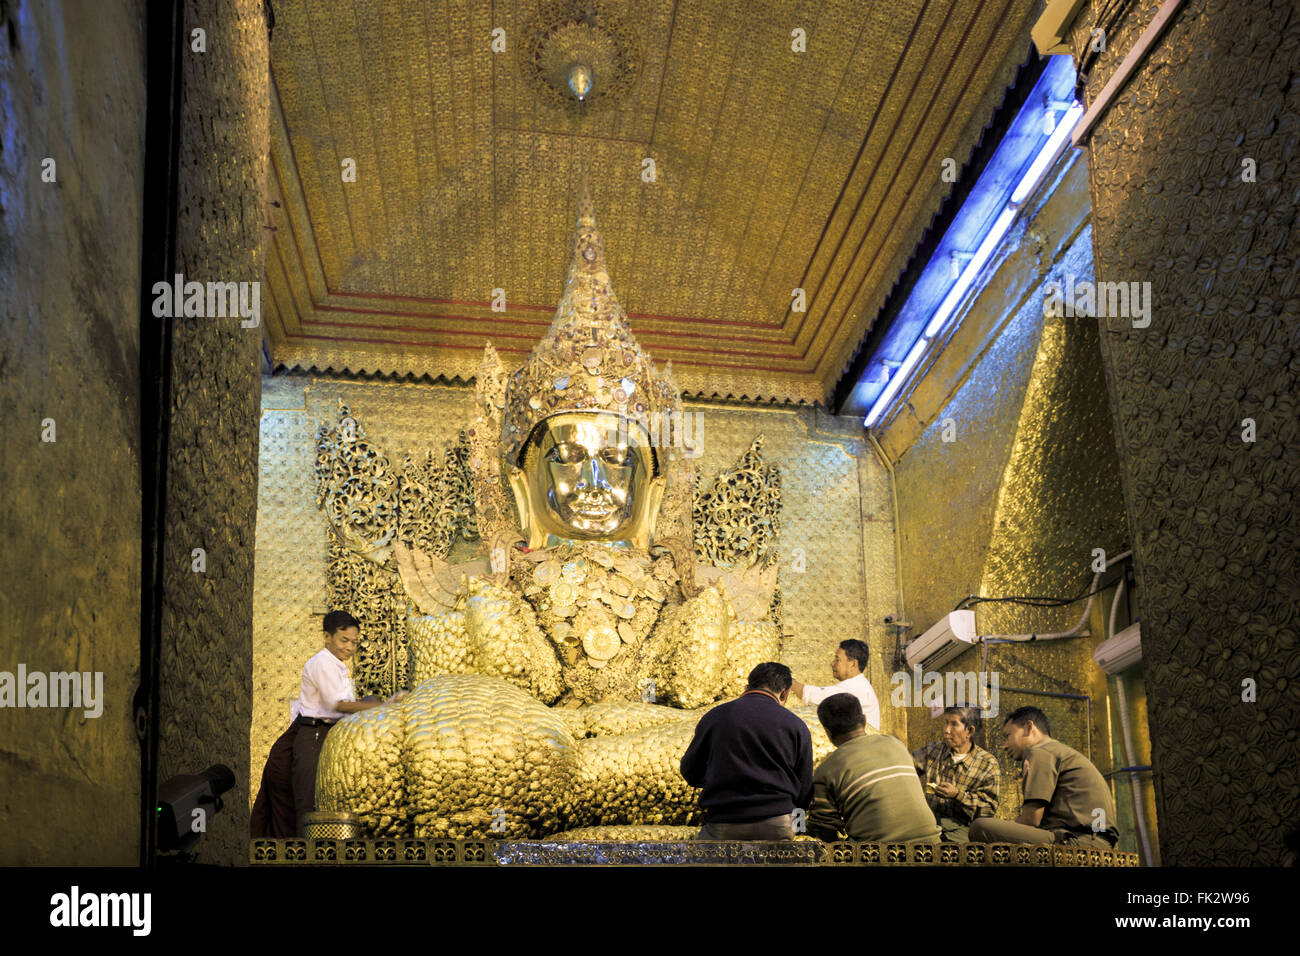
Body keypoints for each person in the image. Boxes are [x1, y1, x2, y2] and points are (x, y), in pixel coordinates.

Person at [250, 611, 406, 838]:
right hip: (313, 736)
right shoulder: (322, 663)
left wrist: (374, 703)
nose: (350, 647)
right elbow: (338, 705)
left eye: (354, 642)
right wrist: (385, 706)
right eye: (344, 640)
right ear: (327, 636)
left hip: (327, 734)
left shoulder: (340, 668)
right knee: (309, 801)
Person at [680, 662, 813, 840]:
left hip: (723, 823)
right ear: (785, 693)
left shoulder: (715, 717)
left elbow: (690, 771)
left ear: (747, 687)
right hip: (778, 823)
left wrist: (716, 779)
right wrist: (798, 828)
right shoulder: (796, 725)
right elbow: (804, 788)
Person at [969, 706, 1119, 848]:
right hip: (1096, 839)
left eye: (1008, 736)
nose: (1005, 745)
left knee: (980, 827)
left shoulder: (1040, 752)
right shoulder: (1059, 751)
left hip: (1079, 841)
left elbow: (1031, 819)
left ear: (1029, 727)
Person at [808, 693, 940, 844]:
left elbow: (825, 828)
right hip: (933, 848)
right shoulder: (896, 744)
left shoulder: (826, 769)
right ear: (864, 720)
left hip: (879, 855)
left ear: (828, 733)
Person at [912, 706, 1001, 843]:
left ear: (969, 731)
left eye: (954, 724)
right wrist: (899, 752)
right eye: (946, 723)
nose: (946, 730)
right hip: (929, 827)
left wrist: (957, 795)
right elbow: (907, 768)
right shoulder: (932, 751)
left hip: (962, 833)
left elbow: (988, 810)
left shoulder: (987, 764)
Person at [790, 639, 881, 729]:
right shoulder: (859, 684)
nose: (832, 663)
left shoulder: (855, 687)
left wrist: (788, 681)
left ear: (853, 664)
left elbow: (811, 695)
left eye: (837, 659)